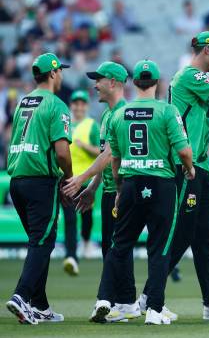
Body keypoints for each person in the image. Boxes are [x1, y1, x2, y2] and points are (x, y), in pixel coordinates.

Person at [139, 28, 209, 321]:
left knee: (206, 236)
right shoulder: (190, 76)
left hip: (200, 167)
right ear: (206, 50)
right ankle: (149, 296)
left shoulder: (193, 79)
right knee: (183, 233)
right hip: (184, 166)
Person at [90, 59, 194, 325]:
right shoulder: (167, 111)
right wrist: (190, 169)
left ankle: (104, 298)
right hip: (161, 184)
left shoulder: (119, 114)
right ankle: (155, 310)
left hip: (131, 183)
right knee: (159, 248)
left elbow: (114, 159)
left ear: (134, 82)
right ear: (157, 83)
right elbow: (183, 150)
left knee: (119, 244)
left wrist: (119, 186)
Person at [61, 62, 139, 321]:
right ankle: (127, 301)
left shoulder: (124, 113)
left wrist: (83, 177)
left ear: (114, 82)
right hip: (108, 189)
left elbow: (110, 154)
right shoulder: (107, 115)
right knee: (113, 247)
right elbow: (107, 158)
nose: (95, 84)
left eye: (99, 79)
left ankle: (110, 299)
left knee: (116, 247)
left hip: (123, 189)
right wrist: (93, 188)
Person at [6, 52, 72, 324]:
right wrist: (68, 177)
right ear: (54, 73)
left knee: (38, 241)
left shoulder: (23, 102)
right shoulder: (56, 105)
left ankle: (40, 305)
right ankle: (21, 296)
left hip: (17, 181)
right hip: (40, 181)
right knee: (42, 242)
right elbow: (61, 152)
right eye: (61, 71)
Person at [61, 90, 99, 275]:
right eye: (75, 103)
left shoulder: (91, 125)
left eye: (82, 103)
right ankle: (71, 256)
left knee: (86, 218)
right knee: (69, 218)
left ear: (86, 106)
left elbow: (101, 152)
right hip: (67, 178)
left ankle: (85, 241)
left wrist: (84, 146)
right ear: (71, 105)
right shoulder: (65, 124)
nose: (78, 107)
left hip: (85, 180)